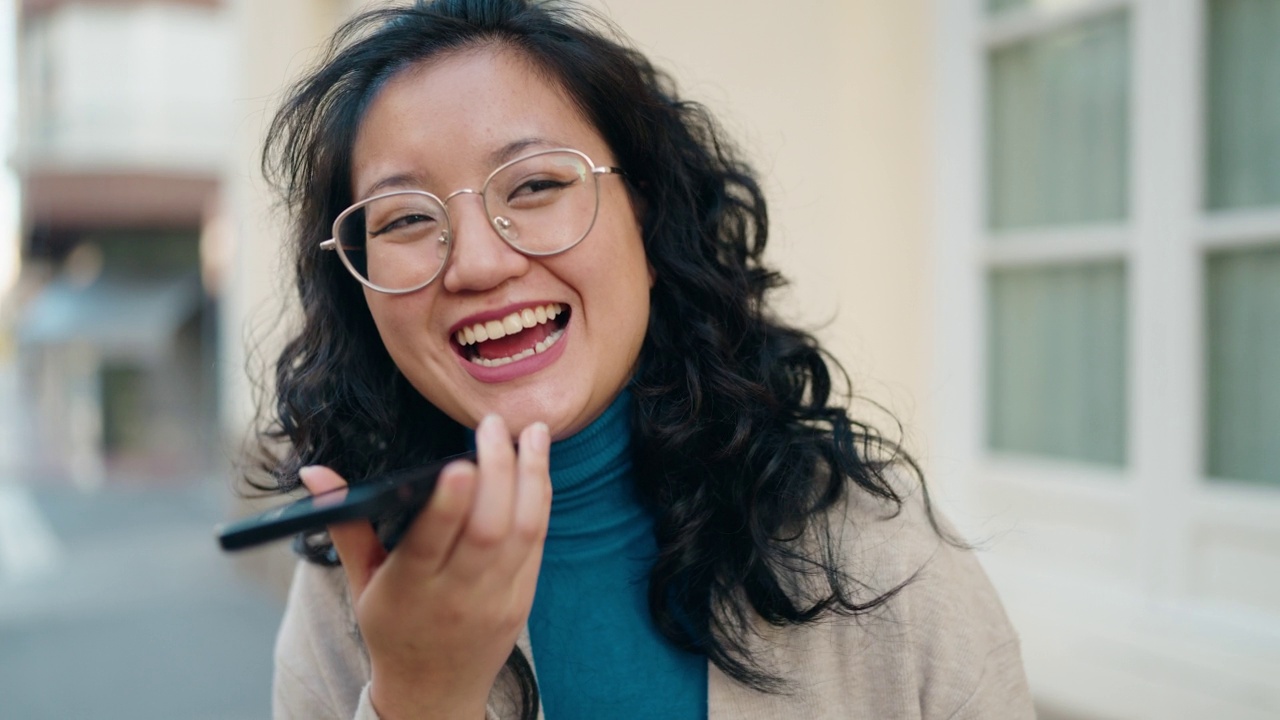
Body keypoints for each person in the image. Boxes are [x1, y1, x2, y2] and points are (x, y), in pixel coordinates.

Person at [251, 1, 1035, 718]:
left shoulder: (884, 561)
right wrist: (419, 699)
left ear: (650, 223)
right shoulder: (354, 588)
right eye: (403, 220)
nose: (479, 264)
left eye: (535, 185)